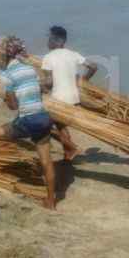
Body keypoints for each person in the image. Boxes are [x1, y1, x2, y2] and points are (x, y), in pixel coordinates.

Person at [0, 36, 56, 209]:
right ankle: (51, 202)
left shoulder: (7, 75)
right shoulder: (30, 69)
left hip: (28, 120)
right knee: (46, 161)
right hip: (44, 118)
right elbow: (38, 91)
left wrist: (7, 100)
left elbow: (12, 105)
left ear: (4, 55)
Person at [41, 25, 97, 161]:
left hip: (59, 100)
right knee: (61, 127)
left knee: (42, 127)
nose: (47, 41)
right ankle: (68, 154)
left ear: (57, 41)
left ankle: (72, 148)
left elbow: (49, 83)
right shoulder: (73, 54)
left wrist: (39, 85)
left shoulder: (48, 57)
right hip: (74, 99)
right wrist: (83, 80)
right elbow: (93, 66)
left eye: (49, 38)